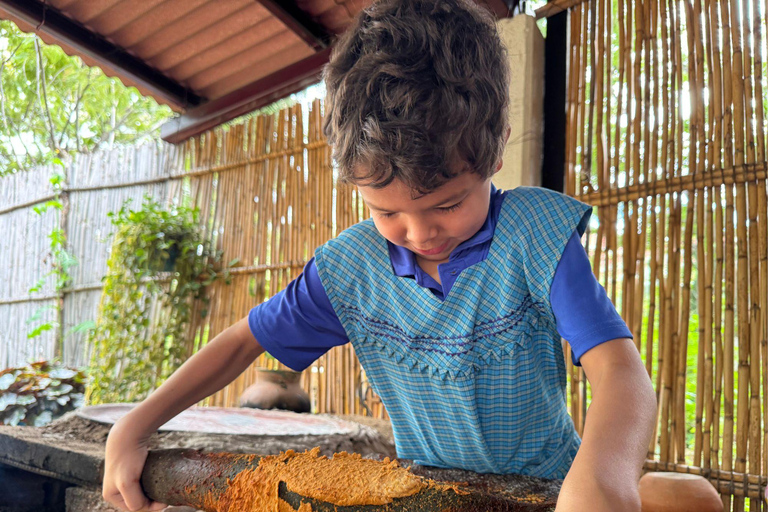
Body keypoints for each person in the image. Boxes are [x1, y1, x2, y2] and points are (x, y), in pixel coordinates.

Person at [102, 1, 656, 510]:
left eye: (449, 203)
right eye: (386, 212)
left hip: (551, 491)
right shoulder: (351, 271)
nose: (419, 233)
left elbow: (620, 372)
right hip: (431, 496)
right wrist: (134, 427)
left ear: (496, 146)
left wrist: (601, 478)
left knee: (690, 499)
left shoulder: (535, 234)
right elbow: (241, 342)